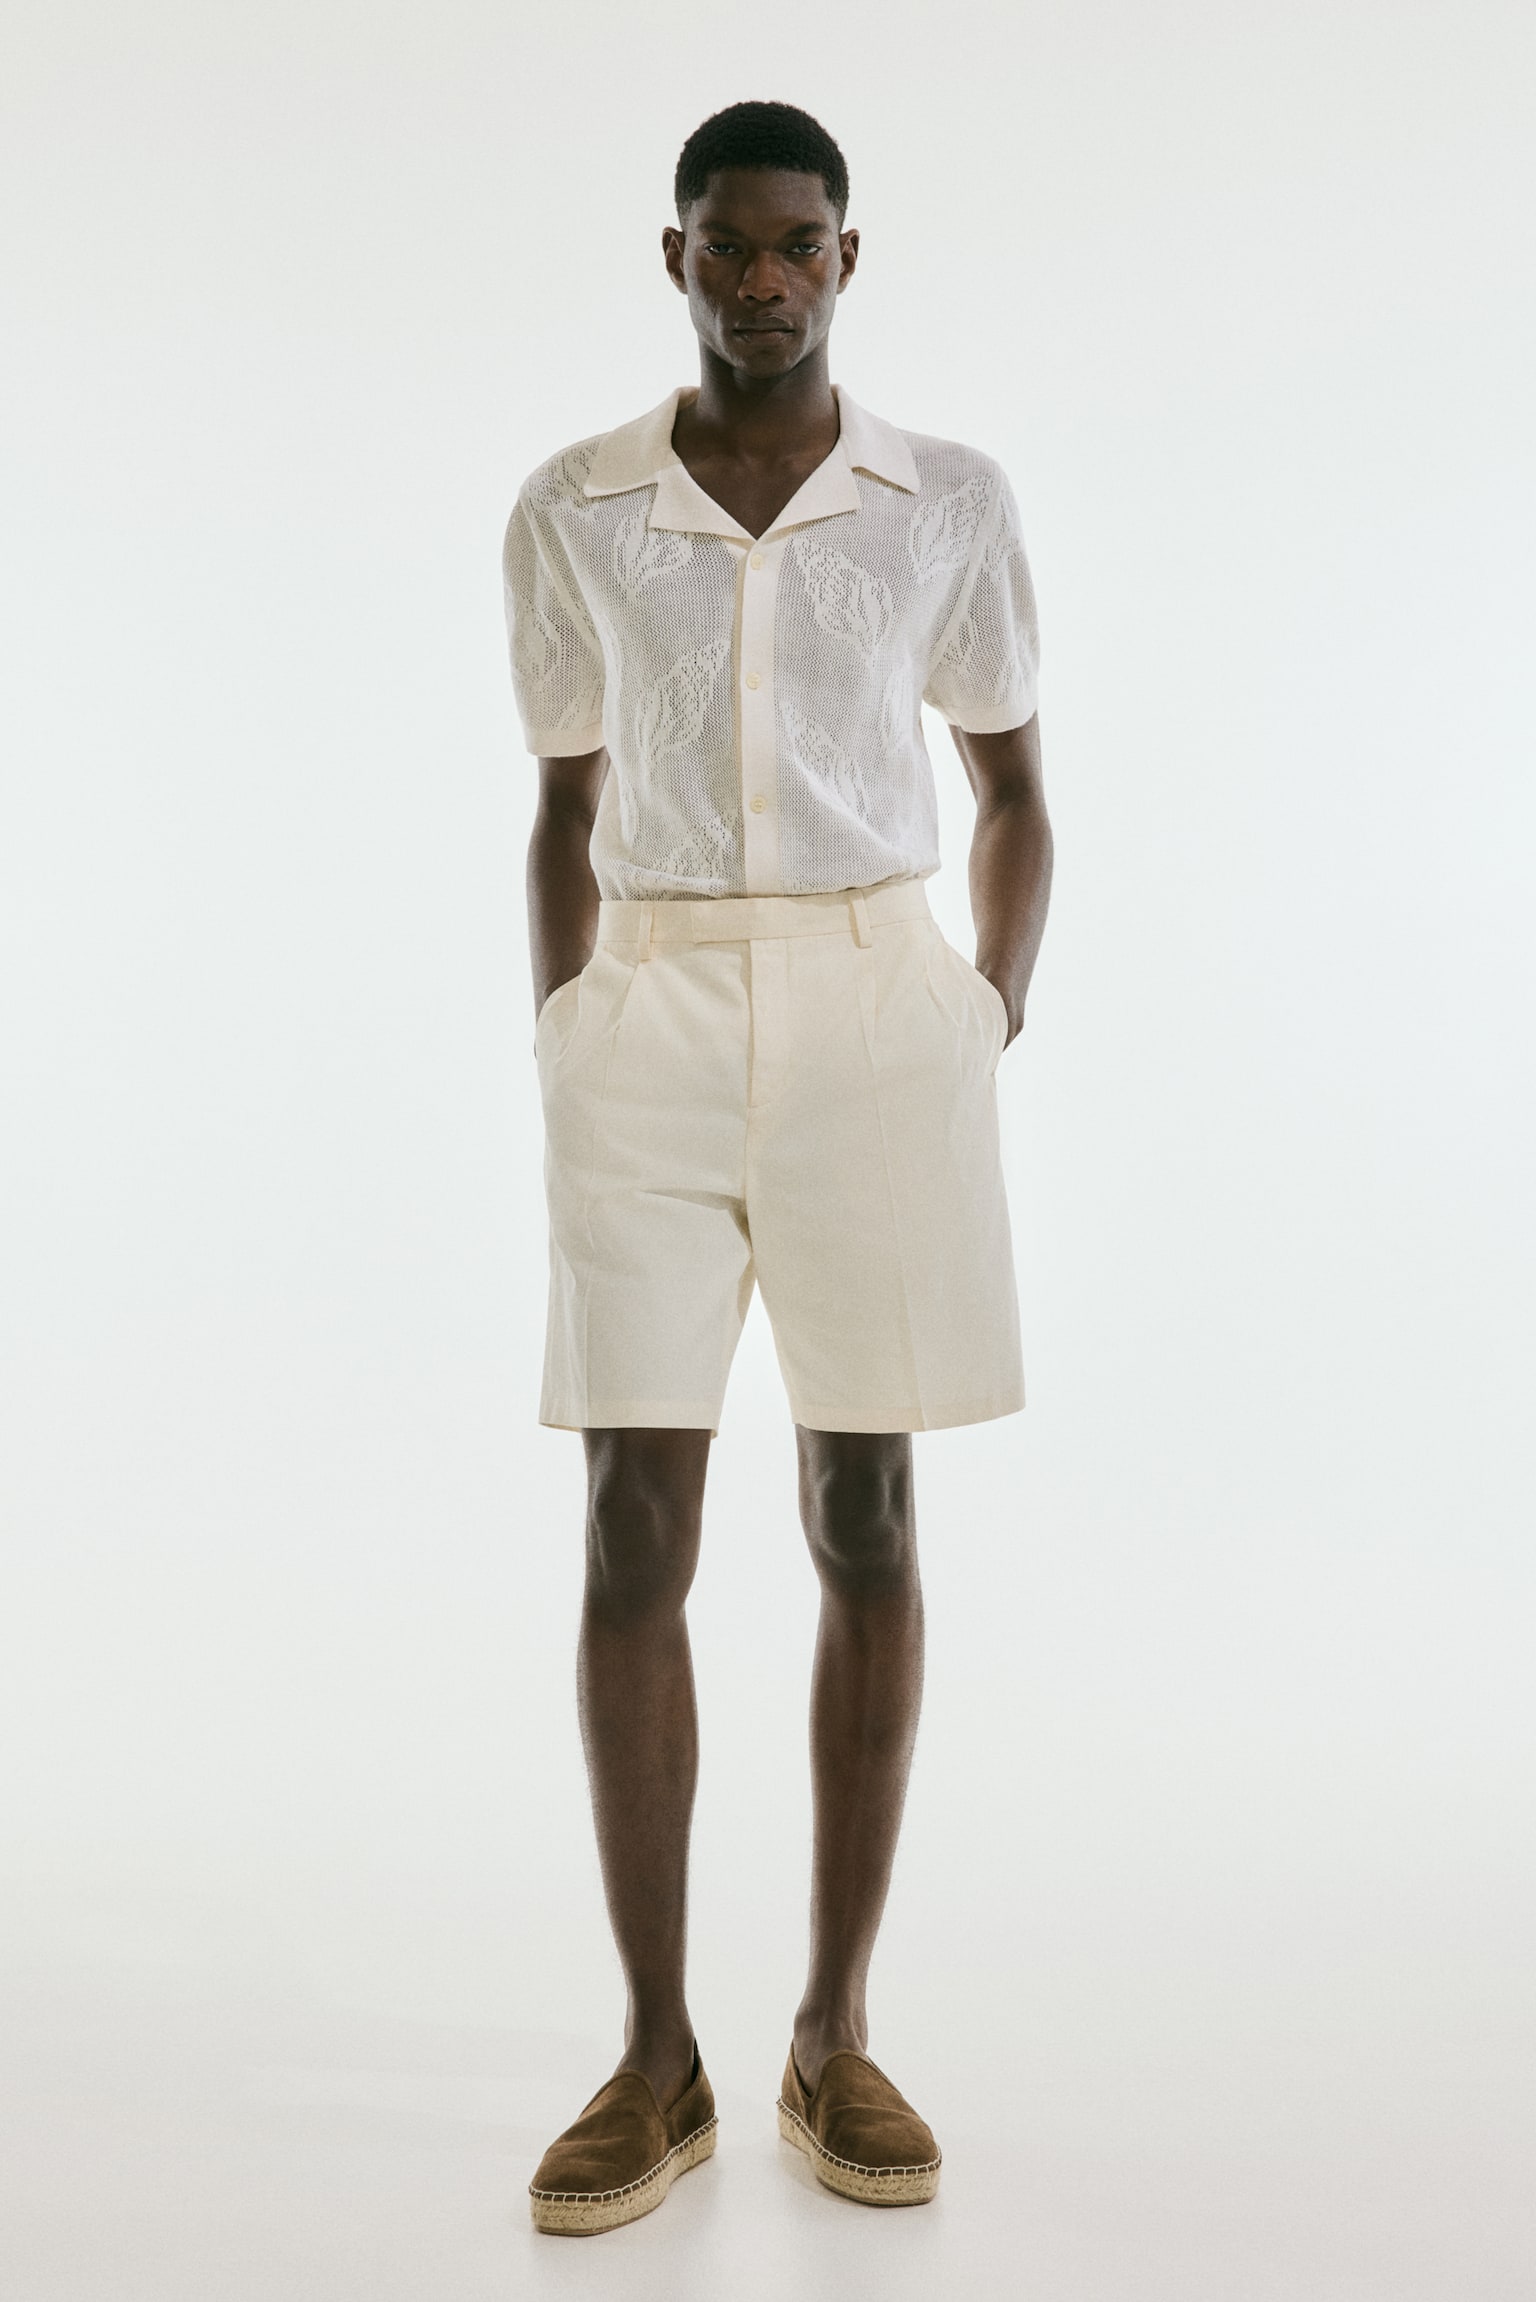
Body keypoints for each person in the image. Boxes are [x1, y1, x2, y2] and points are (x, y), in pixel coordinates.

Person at [503, 97, 1052, 2236]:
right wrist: (568, 1032)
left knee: (866, 1508)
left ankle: (835, 2026)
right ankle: (657, 2053)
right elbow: (561, 805)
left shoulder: (947, 501)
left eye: (794, 245)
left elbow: (1015, 789)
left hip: (874, 1007)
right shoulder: (574, 506)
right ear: (676, 258)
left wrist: (985, 1010)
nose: (760, 280)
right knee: (631, 1524)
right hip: (647, 1011)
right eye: (724, 246)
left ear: (846, 256)